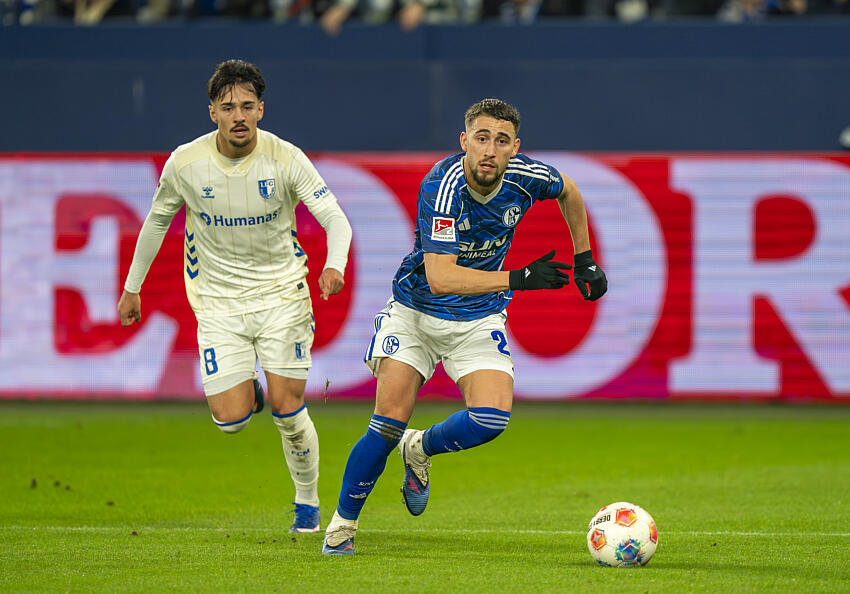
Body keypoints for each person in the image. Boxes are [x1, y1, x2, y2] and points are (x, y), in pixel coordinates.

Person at [321, 98, 607, 555]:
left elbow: (569, 190)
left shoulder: (528, 177)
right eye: (481, 138)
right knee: (387, 421)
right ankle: (342, 526)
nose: (489, 150)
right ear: (464, 142)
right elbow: (440, 276)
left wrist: (584, 257)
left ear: (515, 147)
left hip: (477, 319)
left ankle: (421, 448)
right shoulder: (443, 184)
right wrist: (519, 278)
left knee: (492, 419)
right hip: (414, 314)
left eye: (500, 140)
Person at [118, 59, 352, 534]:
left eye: (247, 105)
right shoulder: (186, 163)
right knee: (231, 421)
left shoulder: (285, 157)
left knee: (290, 408)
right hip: (219, 303)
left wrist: (334, 264)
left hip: (282, 295)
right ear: (213, 113)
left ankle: (307, 505)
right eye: (229, 107)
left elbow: (336, 219)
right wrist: (132, 287)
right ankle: (252, 393)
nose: (239, 115)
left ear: (261, 109)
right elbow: (157, 221)